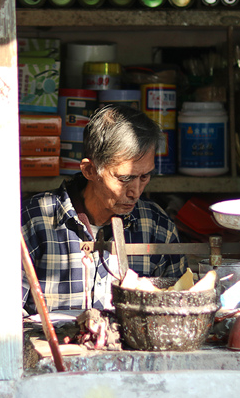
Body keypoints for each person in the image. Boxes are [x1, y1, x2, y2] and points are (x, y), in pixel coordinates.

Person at [21, 104, 185, 314]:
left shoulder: (157, 228)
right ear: (90, 170)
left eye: (144, 177)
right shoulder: (34, 221)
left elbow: (177, 310)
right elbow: (3, 314)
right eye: (125, 178)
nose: (135, 192)